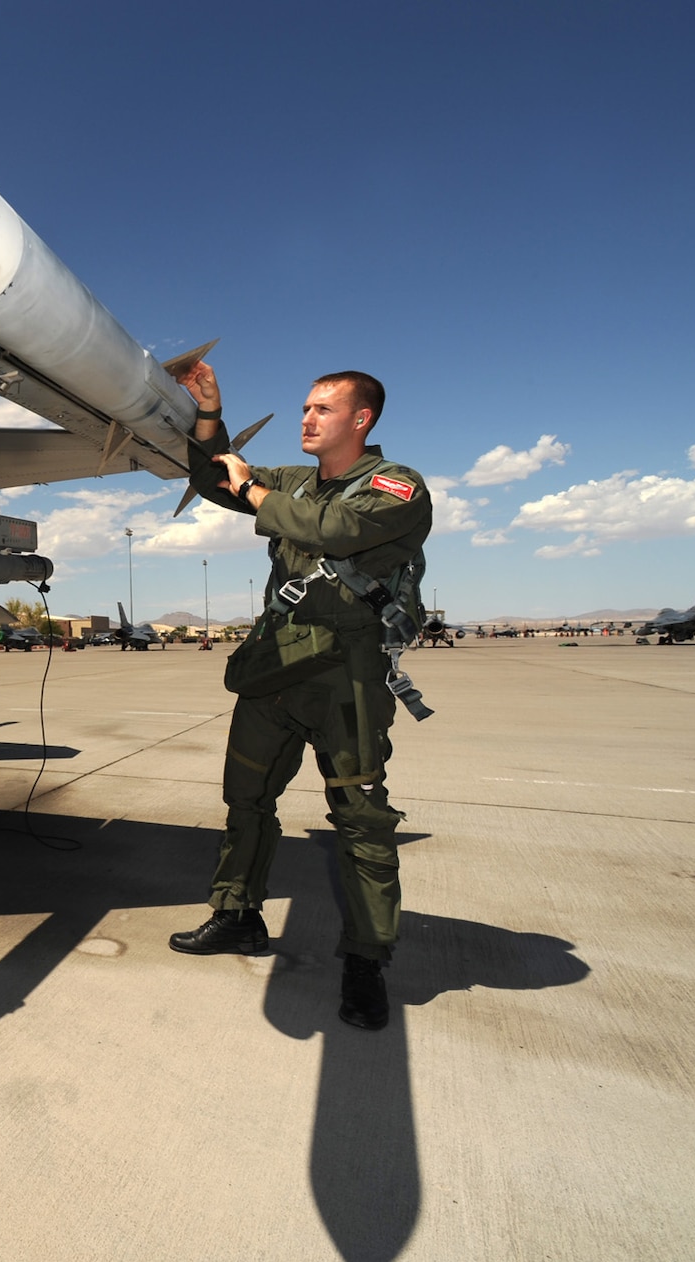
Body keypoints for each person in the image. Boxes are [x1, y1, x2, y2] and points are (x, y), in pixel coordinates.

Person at [166, 362, 432, 1031]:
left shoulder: (397, 486)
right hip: (275, 667)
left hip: (347, 677)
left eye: (322, 410)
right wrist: (208, 415)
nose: (306, 419)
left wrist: (253, 487)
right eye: (305, 409)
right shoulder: (288, 482)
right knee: (245, 801)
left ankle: (367, 961)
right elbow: (210, 478)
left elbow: (331, 532)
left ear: (360, 419)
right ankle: (236, 915)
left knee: (361, 822)